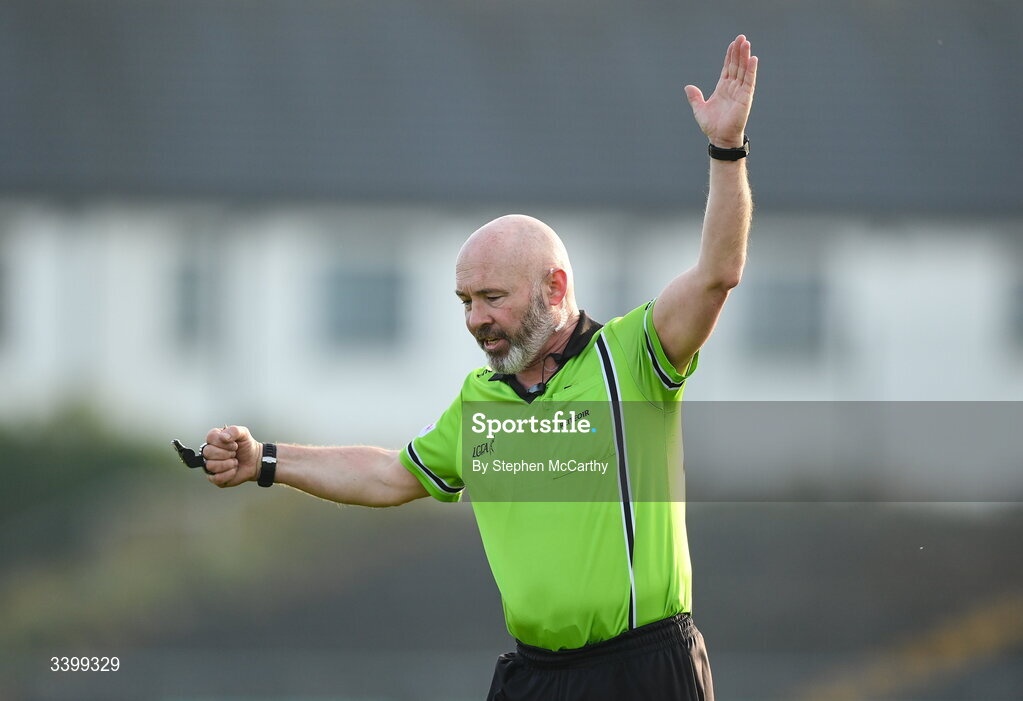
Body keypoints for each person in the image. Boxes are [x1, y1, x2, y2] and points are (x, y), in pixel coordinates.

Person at [198, 34, 757, 701]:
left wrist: (725, 150)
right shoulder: (480, 399)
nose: (475, 319)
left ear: (554, 287)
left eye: (493, 297)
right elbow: (390, 473)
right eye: (465, 301)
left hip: (640, 671)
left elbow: (717, 273)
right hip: (535, 676)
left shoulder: (632, 355)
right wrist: (264, 458)